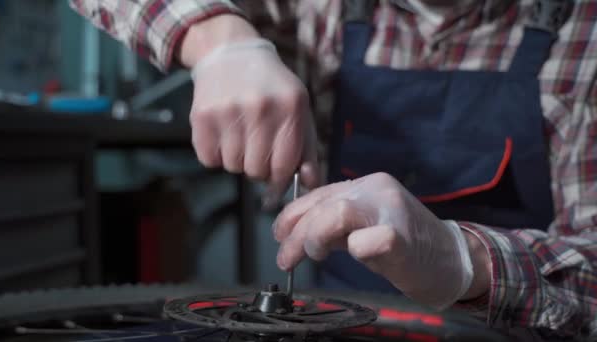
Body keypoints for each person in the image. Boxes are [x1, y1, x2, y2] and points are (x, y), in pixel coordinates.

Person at [71, 0, 597, 339]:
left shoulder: (582, 28)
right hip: (338, 323)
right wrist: (219, 41)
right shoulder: (321, 7)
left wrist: (464, 261)